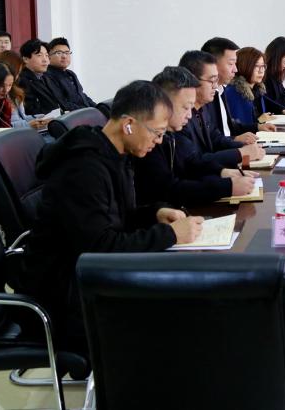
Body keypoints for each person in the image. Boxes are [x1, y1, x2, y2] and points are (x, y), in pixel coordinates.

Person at [22, 80, 204, 351]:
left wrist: (155, 214)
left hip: (88, 277)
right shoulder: (83, 168)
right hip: (66, 294)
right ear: (128, 124)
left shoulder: (114, 154)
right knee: (181, 310)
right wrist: (169, 235)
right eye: (156, 133)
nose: (158, 141)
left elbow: (116, 219)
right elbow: (100, 247)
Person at [134, 66, 258, 207]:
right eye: (185, 108)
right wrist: (227, 186)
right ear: (164, 105)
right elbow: (169, 189)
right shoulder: (149, 141)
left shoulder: (171, 133)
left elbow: (191, 162)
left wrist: (223, 172)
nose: (189, 115)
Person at [176, 50, 265, 174]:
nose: (215, 86)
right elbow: (194, 162)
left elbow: (216, 139)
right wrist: (240, 153)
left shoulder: (203, 108)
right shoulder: (180, 117)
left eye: (216, 80)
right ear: (193, 81)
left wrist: (246, 147)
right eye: (211, 80)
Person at [200, 37, 264, 140]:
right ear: (213, 65)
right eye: (231, 64)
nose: (235, 69)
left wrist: (257, 127)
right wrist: (235, 140)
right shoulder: (206, 97)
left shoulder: (221, 90)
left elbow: (228, 126)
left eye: (235, 64)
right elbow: (213, 140)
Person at [228, 46, 285, 126]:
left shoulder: (256, 89)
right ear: (244, 66)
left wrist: (282, 110)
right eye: (256, 66)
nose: (261, 71)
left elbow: (268, 102)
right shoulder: (234, 92)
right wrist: (259, 121)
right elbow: (239, 127)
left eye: (263, 66)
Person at [0, 50, 53, 132]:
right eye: (18, 72)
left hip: (24, 132)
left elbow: (22, 117)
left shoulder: (15, 91)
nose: (18, 76)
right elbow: (1, 127)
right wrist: (28, 125)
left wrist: (41, 117)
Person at [45, 37, 97, 111]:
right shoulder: (48, 76)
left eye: (67, 53)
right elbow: (62, 104)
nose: (64, 56)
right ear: (48, 56)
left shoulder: (71, 74)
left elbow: (82, 96)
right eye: (59, 53)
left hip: (84, 112)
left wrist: (98, 108)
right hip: (73, 115)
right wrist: (87, 111)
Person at [16, 39, 63, 116]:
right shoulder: (22, 81)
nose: (45, 60)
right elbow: (31, 111)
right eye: (39, 55)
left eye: (46, 55)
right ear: (26, 59)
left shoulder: (48, 77)